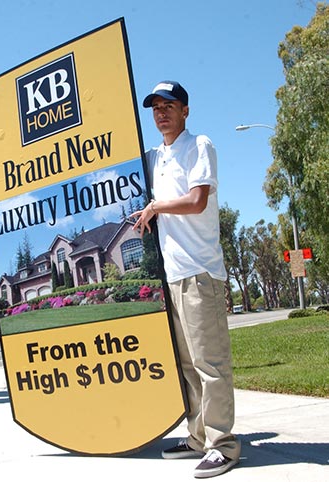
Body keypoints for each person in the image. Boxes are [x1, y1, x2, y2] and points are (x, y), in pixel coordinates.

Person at [132, 81, 241, 478]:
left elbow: (197, 200)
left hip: (200, 271)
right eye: (155, 107)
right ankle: (198, 438)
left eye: (169, 106)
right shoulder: (154, 156)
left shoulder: (200, 146)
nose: (161, 113)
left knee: (210, 364)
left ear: (186, 111)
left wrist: (156, 206)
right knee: (188, 365)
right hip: (172, 274)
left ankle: (223, 445)